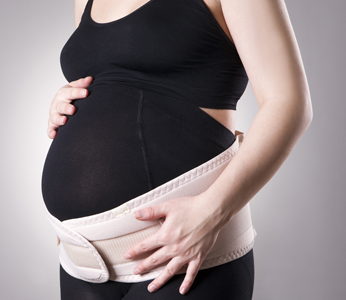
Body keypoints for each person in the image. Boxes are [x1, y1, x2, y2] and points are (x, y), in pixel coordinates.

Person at [42, 0, 312, 299]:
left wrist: (211, 213)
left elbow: (289, 104)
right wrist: (67, 98)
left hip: (185, 254)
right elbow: (110, 80)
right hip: (84, 261)